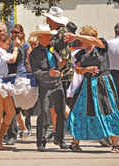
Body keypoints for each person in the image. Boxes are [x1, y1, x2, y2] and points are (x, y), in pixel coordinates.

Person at [65, 26, 119, 153]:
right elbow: (77, 69)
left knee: (109, 110)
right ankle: (74, 143)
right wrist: (87, 69)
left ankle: (115, 145)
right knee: (80, 111)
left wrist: (77, 36)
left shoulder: (101, 46)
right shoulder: (81, 53)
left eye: (84, 37)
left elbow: (94, 41)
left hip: (103, 84)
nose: (81, 41)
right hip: (87, 85)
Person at [30, 24, 68, 152]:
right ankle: (40, 142)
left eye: (50, 36)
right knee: (44, 113)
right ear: (40, 37)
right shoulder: (34, 53)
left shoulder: (54, 48)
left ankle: (60, 139)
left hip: (57, 84)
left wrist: (61, 66)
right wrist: (48, 74)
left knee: (61, 112)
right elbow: (35, 72)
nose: (50, 38)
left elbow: (60, 62)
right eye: (47, 36)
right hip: (44, 86)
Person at [43, 6, 73, 142]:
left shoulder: (61, 34)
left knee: (60, 106)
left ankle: (77, 128)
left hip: (62, 74)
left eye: (48, 19)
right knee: (57, 106)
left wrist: (56, 71)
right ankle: (58, 133)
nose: (47, 21)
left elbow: (64, 57)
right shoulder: (59, 33)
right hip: (61, 73)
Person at [5, 24, 30, 145]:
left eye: (16, 32)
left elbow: (30, 58)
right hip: (9, 76)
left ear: (22, 33)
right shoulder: (9, 45)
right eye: (12, 32)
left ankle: (19, 131)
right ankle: (22, 130)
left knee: (16, 106)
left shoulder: (25, 45)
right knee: (14, 107)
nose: (14, 35)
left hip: (20, 76)